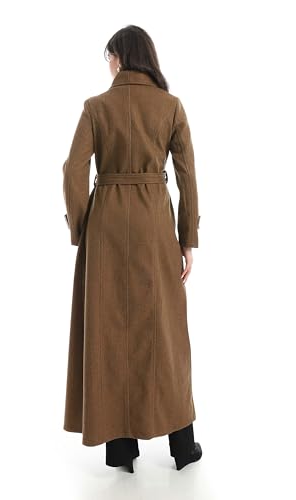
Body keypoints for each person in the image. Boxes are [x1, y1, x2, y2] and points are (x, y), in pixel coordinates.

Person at [62, 25, 202, 473]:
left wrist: (83, 230)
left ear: (120, 57)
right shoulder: (170, 106)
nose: (108, 65)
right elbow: (187, 177)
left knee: (109, 331)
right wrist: (187, 239)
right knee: (166, 331)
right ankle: (183, 446)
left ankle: (121, 450)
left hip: (105, 226)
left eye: (109, 56)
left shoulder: (96, 107)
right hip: (155, 225)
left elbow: (73, 170)